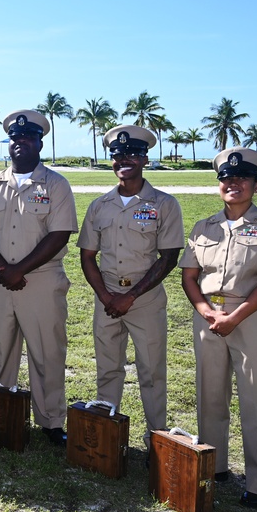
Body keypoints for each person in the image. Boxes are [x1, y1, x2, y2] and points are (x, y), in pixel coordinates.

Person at [179, 147, 257, 508]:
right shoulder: (204, 227)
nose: (234, 183)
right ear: (219, 185)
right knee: (210, 394)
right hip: (209, 317)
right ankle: (215, 464)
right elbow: (190, 277)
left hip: (251, 318)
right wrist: (207, 312)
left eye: (243, 178)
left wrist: (233, 317)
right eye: (227, 178)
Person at [0, 110, 78, 444]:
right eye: (16, 138)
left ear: (39, 142)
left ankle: (51, 420)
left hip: (41, 279)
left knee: (47, 351)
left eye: (28, 137)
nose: (21, 143)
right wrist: (4, 268)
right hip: (0, 279)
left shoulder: (56, 185)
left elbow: (59, 235)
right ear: (10, 143)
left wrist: (19, 269)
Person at [77, 125, 184, 445]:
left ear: (145, 159)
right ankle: (107, 438)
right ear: (112, 161)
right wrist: (107, 296)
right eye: (119, 155)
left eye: (133, 155)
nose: (126, 160)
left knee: (151, 373)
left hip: (145, 301)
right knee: (108, 369)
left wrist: (131, 296)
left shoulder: (164, 204)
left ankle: (157, 441)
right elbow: (87, 256)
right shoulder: (99, 205)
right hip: (106, 297)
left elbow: (168, 258)